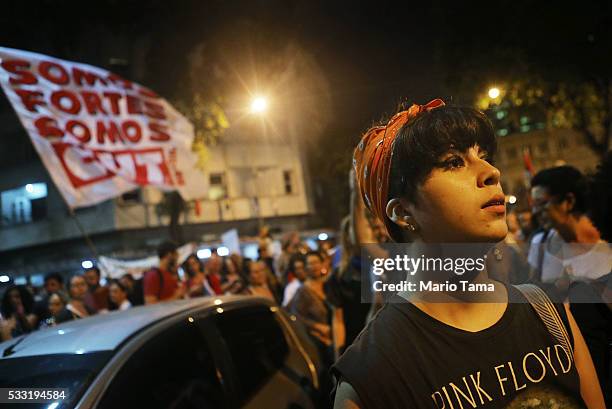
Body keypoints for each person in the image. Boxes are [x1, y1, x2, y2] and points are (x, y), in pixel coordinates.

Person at [333, 100, 604, 409]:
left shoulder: (548, 314)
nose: (491, 172)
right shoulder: (371, 378)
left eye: (484, 156)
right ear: (403, 212)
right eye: (453, 162)